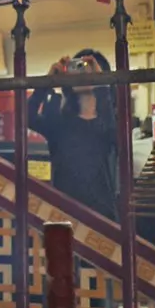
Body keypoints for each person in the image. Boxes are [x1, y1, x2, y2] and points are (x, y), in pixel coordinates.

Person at [27, 49, 119, 221]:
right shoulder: (59, 123)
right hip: (64, 214)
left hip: (103, 217)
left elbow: (112, 133)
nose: (82, 74)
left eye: (88, 68)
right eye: (78, 68)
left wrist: (102, 84)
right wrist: (47, 81)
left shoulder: (110, 122)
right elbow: (26, 116)